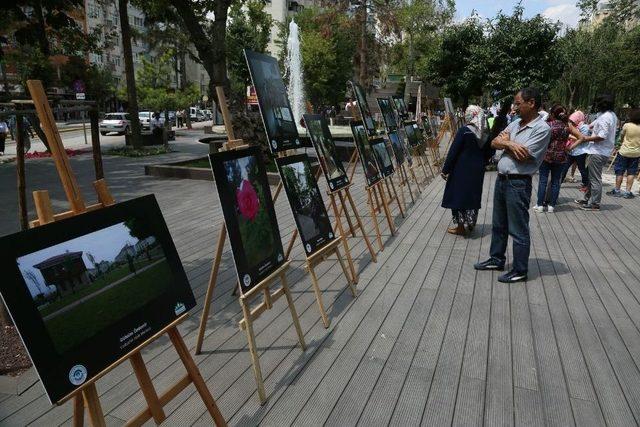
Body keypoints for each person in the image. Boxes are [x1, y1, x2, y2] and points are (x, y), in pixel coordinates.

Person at [474, 87, 551, 283]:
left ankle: (520, 270)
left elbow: (524, 155)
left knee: (518, 229)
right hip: (502, 179)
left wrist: (507, 143)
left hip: (518, 183)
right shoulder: (516, 123)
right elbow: (494, 142)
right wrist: (509, 145)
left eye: (518, 103)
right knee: (499, 224)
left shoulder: (542, 129)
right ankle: (496, 258)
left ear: (531, 103)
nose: (514, 108)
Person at [441, 105, 493, 235]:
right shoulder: (485, 133)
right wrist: (483, 161)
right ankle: (471, 223)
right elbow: (491, 151)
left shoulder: (464, 131)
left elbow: (453, 151)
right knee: (473, 195)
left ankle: (460, 227)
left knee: (458, 196)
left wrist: (445, 169)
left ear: (470, 115)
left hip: (461, 170)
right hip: (477, 170)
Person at [533, 104, 583, 213]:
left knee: (543, 181)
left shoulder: (548, 125)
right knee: (556, 182)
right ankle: (552, 206)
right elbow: (581, 138)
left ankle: (540, 205)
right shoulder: (567, 126)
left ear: (552, 114)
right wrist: (569, 148)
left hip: (546, 156)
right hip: (561, 157)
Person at [573, 94, 618, 211]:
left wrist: (585, 138)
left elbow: (602, 136)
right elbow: (595, 127)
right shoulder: (611, 115)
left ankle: (594, 203)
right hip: (601, 151)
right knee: (590, 177)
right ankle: (588, 198)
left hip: (599, 151)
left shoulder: (605, 117)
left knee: (595, 178)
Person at [606, 109, 640, 198]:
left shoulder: (627, 125)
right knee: (631, 172)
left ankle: (617, 190)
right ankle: (628, 192)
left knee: (620, 171)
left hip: (624, 151)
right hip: (636, 153)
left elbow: (621, 136)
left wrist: (620, 143)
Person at [561, 110, 590, 190]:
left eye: (573, 121)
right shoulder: (575, 126)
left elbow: (583, 139)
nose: (572, 122)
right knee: (565, 166)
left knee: (581, 169)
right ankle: (559, 181)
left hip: (581, 151)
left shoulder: (585, 127)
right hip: (572, 151)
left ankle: (585, 183)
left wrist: (571, 136)